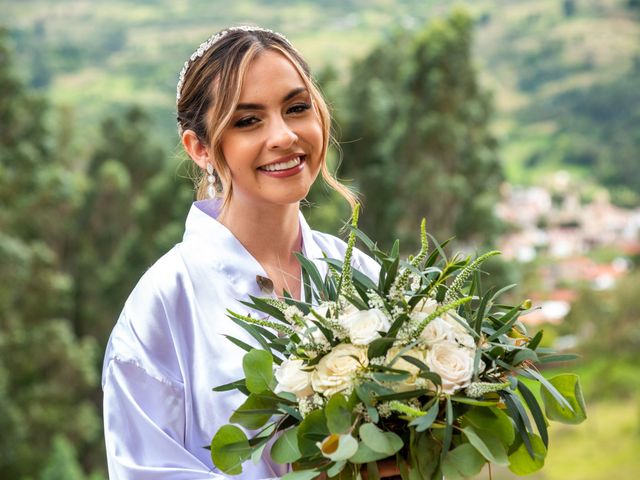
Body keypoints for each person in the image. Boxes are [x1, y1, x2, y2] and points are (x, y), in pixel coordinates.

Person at [102, 26, 400, 479]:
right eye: (247, 121)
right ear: (200, 148)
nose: (283, 136)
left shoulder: (358, 270)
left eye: (297, 108)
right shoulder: (164, 304)